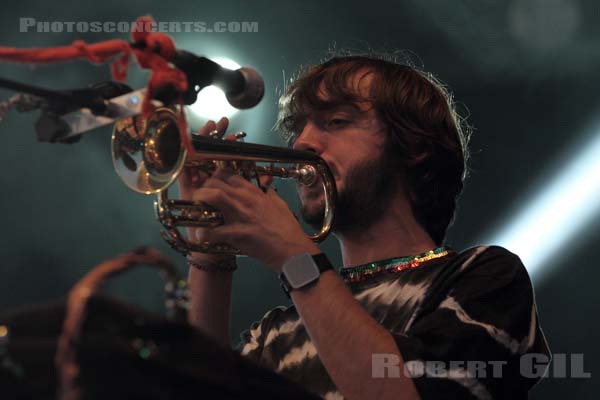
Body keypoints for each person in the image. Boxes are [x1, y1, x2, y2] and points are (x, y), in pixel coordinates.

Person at [179, 55, 550, 400]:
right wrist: (209, 252)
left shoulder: (487, 277)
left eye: (337, 121)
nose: (303, 141)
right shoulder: (277, 332)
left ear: (413, 145)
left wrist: (294, 256)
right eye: (300, 127)